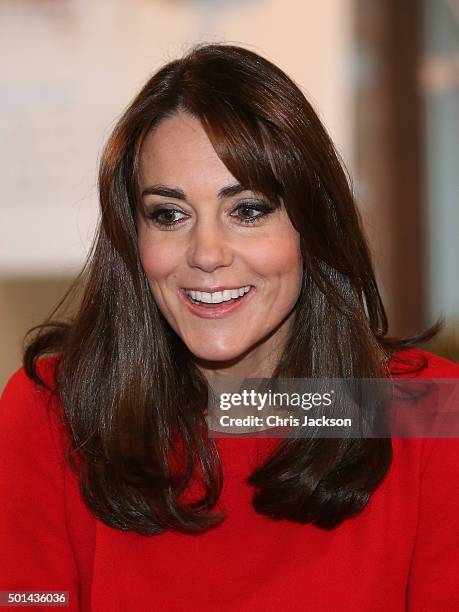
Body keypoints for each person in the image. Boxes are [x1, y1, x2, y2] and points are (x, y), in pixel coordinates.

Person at [1, 42, 459, 611]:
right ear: (132, 235)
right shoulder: (52, 413)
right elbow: (26, 598)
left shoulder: (429, 412)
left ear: (311, 224)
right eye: (169, 215)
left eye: (248, 209)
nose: (207, 253)